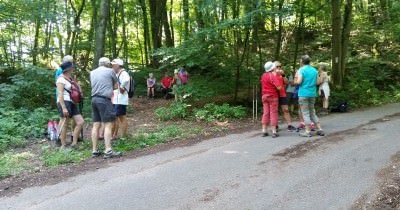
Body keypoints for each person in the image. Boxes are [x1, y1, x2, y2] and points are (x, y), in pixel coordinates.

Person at [90, 57, 122, 158]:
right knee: (108, 124)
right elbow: (116, 85)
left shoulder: (92, 72)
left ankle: (94, 150)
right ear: (108, 64)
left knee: (96, 125)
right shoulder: (110, 71)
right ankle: (108, 150)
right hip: (104, 100)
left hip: (94, 99)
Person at [56, 61, 84, 148]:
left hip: (72, 102)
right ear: (69, 69)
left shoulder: (70, 78)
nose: (73, 68)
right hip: (64, 102)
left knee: (80, 122)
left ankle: (74, 143)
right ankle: (63, 145)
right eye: (72, 67)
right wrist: (64, 108)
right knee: (65, 124)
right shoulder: (60, 79)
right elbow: (60, 94)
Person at [294, 55, 325, 137]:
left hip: (303, 93)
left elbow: (299, 82)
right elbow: (318, 82)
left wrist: (296, 79)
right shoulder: (314, 70)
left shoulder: (301, 70)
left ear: (302, 61)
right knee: (312, 111)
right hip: (312, 93)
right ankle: (319, 129)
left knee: (305, 113)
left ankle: (307, 131)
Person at [260, 61, 281, 138]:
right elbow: (279, 87)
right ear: (273, 68)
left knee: (266, 113)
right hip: (272, 96)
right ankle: (274, 131)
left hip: (264, 96)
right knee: (273, 113)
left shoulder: (263, 75)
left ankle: (264, 130)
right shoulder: (272, 76)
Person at [274, 61, 296, 132]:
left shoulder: (281, 75)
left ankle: (289, 125)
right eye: (277, 66)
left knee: (286, 109)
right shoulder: (271, 74)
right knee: (274, 110)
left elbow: (287, 82)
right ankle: (275, 125)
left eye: (280, 66)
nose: (279, 68)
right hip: (274, 95)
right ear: (273, 67)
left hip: (282, 94)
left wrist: (283, 75)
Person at [111, 58, 130, 139]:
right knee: (115, 117)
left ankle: (123, 136)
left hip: (121, 99)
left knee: (122, 117)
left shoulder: (124, 73)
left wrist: (120, 86)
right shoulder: (117, 73)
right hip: (115, 99)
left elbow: (126, 80)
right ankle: (114, 135)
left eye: (113, 65)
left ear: (118, 65)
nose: (112, 66)